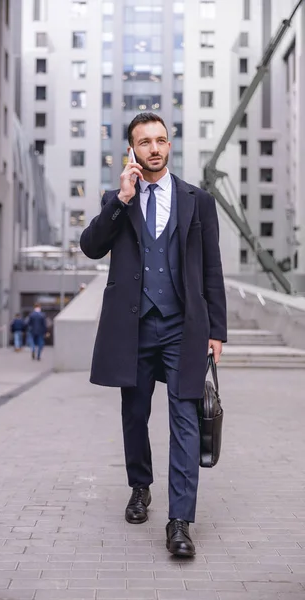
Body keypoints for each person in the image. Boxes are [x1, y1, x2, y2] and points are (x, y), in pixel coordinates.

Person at [80, 112, 227, 558]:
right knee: (135, 415)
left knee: (185, 420)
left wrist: (216, 330)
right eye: (144, 142)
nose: (155, 148)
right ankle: (140, 487)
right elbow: (91, 247)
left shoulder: (196, 200)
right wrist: (122, 199)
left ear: (170, 143)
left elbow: (212, 268)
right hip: (134, 328)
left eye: (161, 140)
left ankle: (180, 521)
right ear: (132, 149)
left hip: (183, 327)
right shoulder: (118, 198)